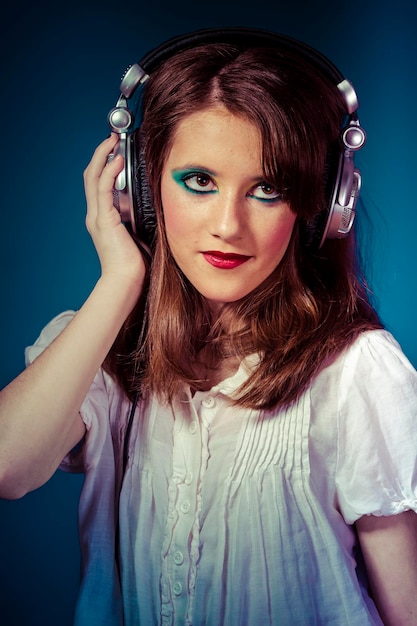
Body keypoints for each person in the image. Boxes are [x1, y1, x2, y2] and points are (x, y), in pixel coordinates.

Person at [0, 27, 416, 626]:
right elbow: (10, 467)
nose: (228, 224)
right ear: (137, 191)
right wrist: (121, 278)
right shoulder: (103, 350)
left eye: (268, 189)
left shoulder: (358, 373)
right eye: (199, 181)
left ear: (321, 209)